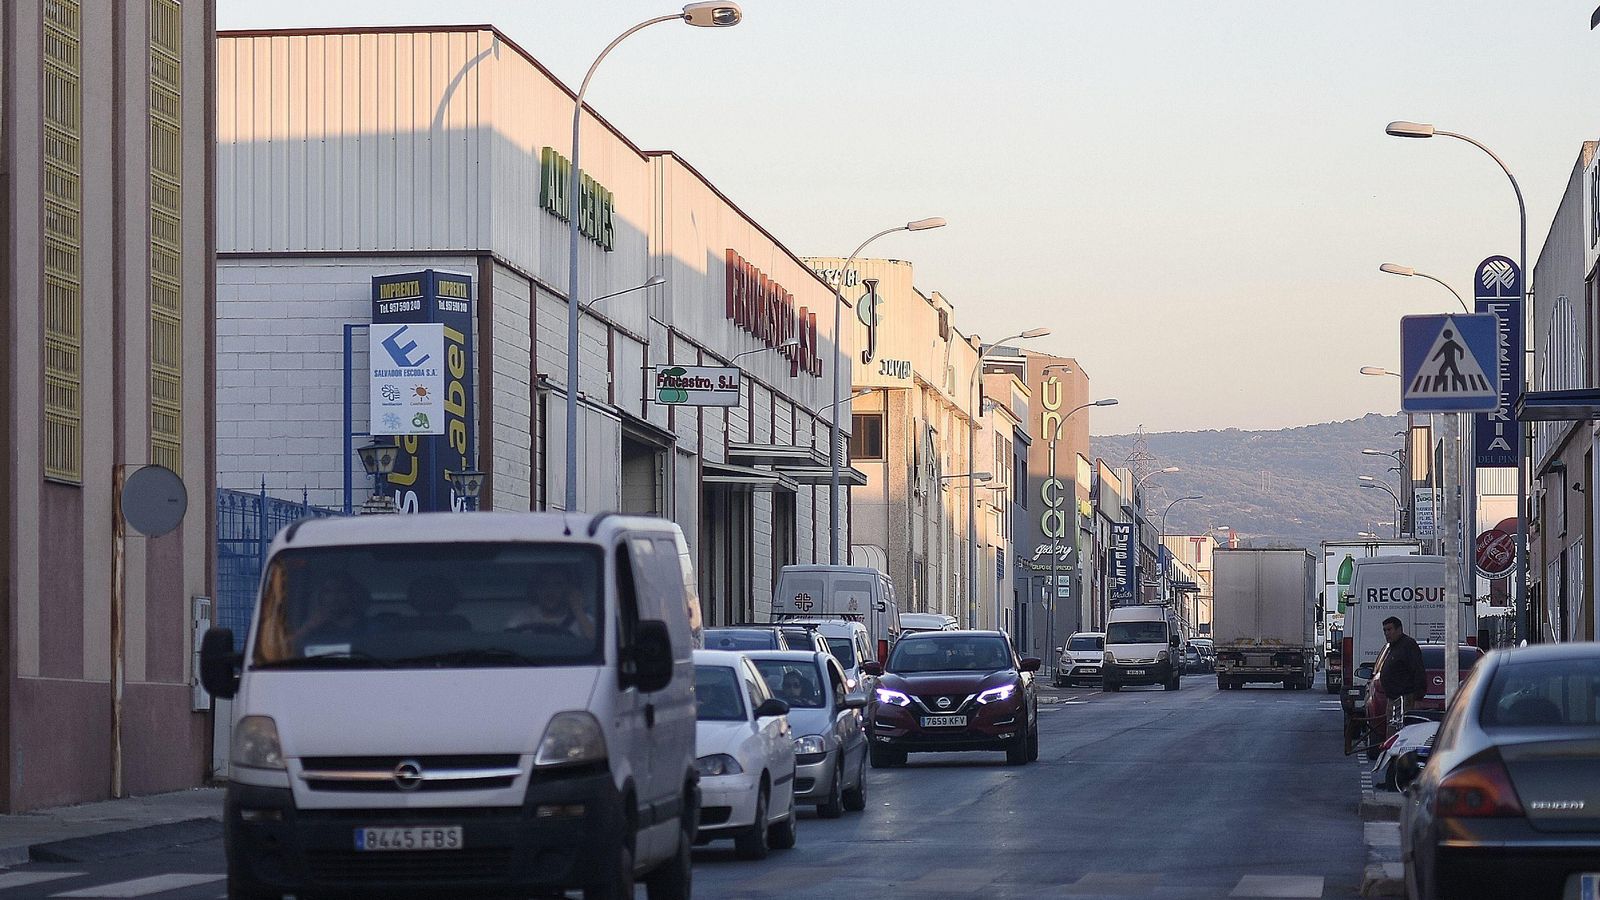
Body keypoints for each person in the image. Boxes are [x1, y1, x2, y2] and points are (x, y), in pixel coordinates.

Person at [505, 567, 596, 641]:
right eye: (544, 584)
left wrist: (577, 609)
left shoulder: (581, 618)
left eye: (558, 584)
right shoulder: (521, 618)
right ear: (536, 590)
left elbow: (597, 644)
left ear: (567, 590)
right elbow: (509, 645)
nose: (550, 590)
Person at [291, 573, 370, 652]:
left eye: (341, 591)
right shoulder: (315, 632)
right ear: (321, 597)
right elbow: (286, 650)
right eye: (328, 591)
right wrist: (308, 627)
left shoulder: (371, 629)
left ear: (353, 596)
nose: (334, 597)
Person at [1378, 616, 1425, 724]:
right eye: (1384, 630)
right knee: (1391, 732)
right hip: (1393, 699)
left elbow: (1418, 671)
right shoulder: (1393, 647)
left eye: (1389, 630)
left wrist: (1417, 698)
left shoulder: (1408, 645)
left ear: (1399, 629)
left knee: (1402, 732)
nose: (1386, 633)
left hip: (1405, 699)